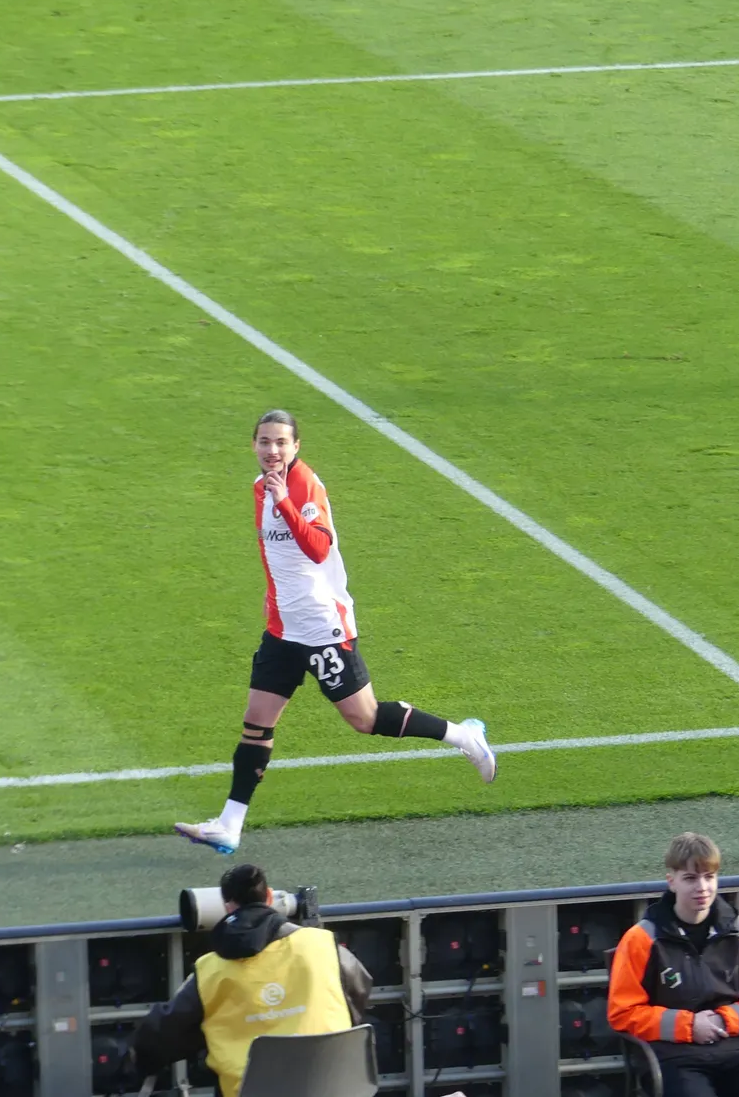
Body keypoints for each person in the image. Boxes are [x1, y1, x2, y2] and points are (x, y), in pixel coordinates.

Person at [175, 409, 497, 854]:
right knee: (256, 724)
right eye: (264, 442)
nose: (272, 450)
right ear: (253, 445)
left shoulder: (304, 485)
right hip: (282, 629)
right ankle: (230, 824)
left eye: (281, 443)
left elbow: (319, 547)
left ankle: (464, 736)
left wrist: (285, 501)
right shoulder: (258, 488)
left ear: (295, 447)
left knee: (363, 719)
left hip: (322, 627)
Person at [132, 863, 372, 1097]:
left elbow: (159, 1036)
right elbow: (359, 990)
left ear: (227, 907)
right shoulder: (323, 944)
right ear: (269, 896)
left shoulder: (211, 970)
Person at [607, 833, 739, 1097]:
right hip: (672, 1059)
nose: (702, 887)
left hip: (735, 1054)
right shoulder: (640, 939)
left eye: (709, 877)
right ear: (671, 882)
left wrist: (724, 1019)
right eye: (690, 878)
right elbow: (622, 1013)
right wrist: (688, 1026)